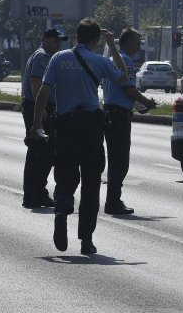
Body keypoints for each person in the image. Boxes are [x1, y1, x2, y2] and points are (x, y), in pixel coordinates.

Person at [30, 18, 127, 255]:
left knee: (65, 174)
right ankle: (86, 240)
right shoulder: (99, 60)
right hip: (92, 127)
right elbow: (123, 76)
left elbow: (43, 92)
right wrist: (112, 44)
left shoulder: (58, 59)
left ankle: (62, 210)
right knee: (91, 183)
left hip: (65, 125)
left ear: (76, 37)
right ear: (95, 40)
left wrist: (35, 124)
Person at [101, 27, 157, 215]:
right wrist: (147, 101)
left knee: (115, 159)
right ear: (126, 42)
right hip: (118, 116)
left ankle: (113, 199)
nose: (139, 45)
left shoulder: (112, 59)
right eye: (136, 41)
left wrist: (138, 105)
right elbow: (128, 89)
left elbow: (119, 92)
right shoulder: (125, 60)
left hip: (110, 111)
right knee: (120, 161)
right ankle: (113, 201)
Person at [20, 24, 68, 208]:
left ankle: (33, 194)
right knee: (42, 153)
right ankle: (36, 193)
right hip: (39, 107)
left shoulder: (47, 56)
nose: (58, 44)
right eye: (56, 40)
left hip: (40, 107)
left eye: (60, 42)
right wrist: (41, 113)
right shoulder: (42, 56)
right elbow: (35, 83)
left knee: (38, 153)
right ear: (46, 39)